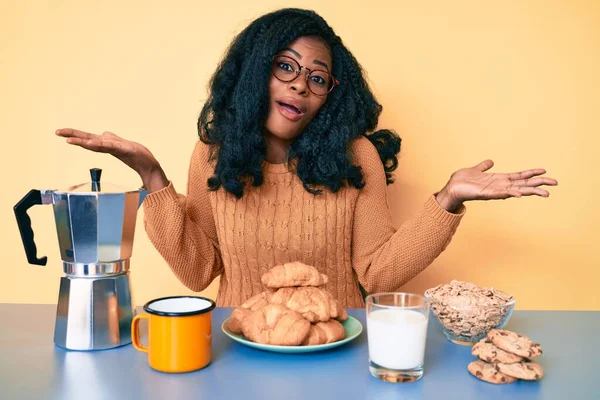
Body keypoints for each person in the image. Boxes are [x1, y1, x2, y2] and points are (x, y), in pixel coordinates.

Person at [55, 8, 557, 308]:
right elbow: (197, 270)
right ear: (257, 73)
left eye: (318, 77)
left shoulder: (356, 156)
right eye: (286, 66)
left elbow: (377, 274)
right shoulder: (213, 155)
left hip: (336, 344)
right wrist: (153, 176)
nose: (300, 83)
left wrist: (447, 199)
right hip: (237, 344)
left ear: (329, 95)